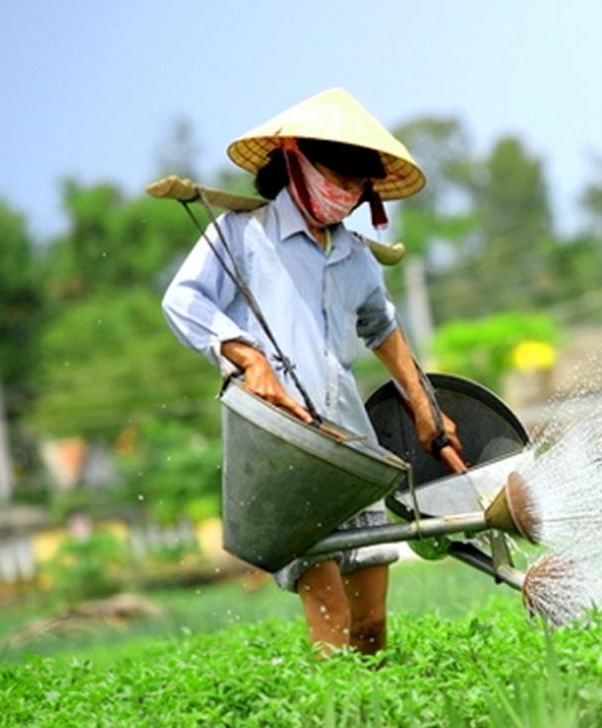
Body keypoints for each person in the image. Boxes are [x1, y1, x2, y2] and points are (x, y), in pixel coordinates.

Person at [162, 88, 461, 656]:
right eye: (336, 180)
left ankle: (375, 715)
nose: (345, 196)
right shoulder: (241, 235)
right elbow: (182, 301)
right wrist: (248, 358)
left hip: (350, 448)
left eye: (356, 188)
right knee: (332, 623)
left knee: (370, 622)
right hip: (285, 450)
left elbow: (382, 327)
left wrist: (425, 406)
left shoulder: (354, 255)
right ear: (294, 161)